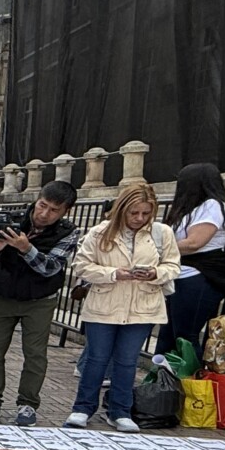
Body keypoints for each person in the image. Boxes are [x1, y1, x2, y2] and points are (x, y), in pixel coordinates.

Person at [68, 180, 180, 431]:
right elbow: (81, 266)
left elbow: (173, 266)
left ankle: (120, 411)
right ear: (122, 209)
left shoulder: (161, 233)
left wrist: (154, 273)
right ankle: (82, 408)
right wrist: (113, 273)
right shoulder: (100, 232)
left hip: (143, 305)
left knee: (127, 360)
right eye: (134, 212)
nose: (139, 218)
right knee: (96, 359)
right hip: (105, 303)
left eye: (146, 213)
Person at [0, 180, 80, 426]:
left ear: (66, 211)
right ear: (37, 199)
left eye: (54, 210)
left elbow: (50, 267)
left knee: (35, 354)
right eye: (42, 205)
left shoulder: (68, 232)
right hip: (3, 294)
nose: (44, 213)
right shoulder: (11, 219)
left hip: (40, 299)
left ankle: (28, 404)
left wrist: (26, 248)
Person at [157, 162, 225, 355]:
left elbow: (194, 243)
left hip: (198, 276)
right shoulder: (190, 210)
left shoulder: (212, 206)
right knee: (168, 335)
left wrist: (156, 249)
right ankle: (164, 373)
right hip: (180, 274)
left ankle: (190, 374)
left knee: (185, 336)